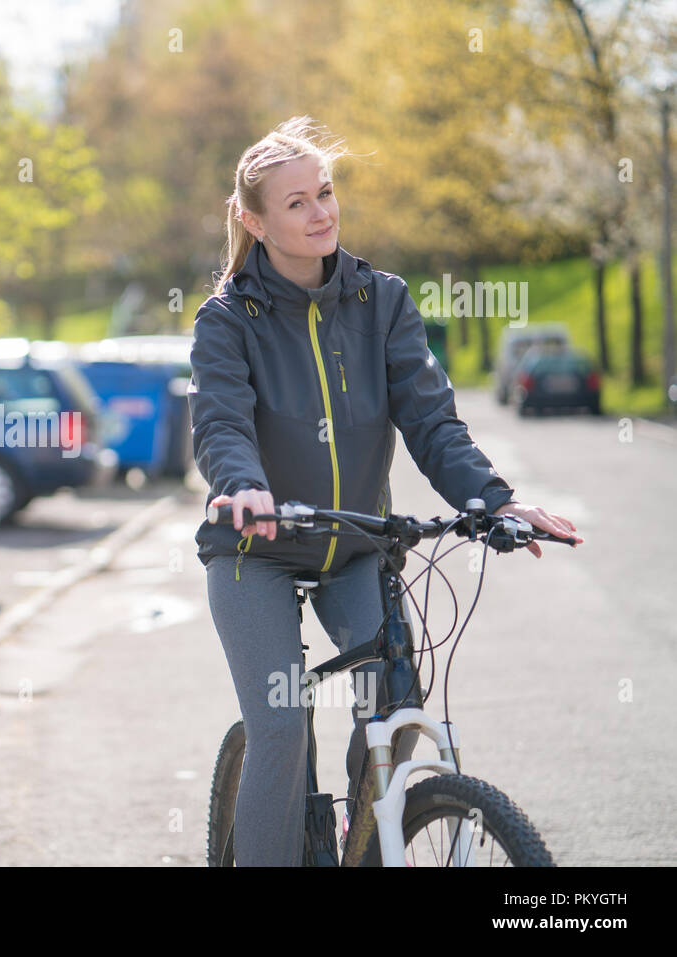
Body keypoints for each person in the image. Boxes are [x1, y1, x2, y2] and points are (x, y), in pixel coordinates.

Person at [189, 116, 583, 866]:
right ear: (255, 219)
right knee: (280, 721)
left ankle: (365, 846)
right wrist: (241, 486)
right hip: (256, 547)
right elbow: (221, 422)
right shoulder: (228, 320)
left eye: (326, 193)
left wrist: (494, 502)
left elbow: (434, 423)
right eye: (297, 201)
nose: (321, 212)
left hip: (356, 544)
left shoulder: (384, 302)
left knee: (395, 709)